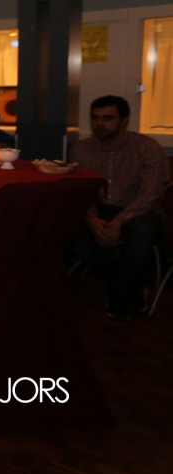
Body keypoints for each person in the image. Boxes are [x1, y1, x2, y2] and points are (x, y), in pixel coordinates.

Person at [69, 95, 168, 321]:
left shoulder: (147, 147)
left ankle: (119, 294)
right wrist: (92, 219)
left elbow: (150, 194)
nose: (99, 124)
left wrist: (118, 222)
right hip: (99, 209)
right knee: (68, 232)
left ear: (124, 120)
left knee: (141, 232)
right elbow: (82, 191)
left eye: (108, 118)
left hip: (139, 210)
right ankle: (129, 284)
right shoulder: (80, 150)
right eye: (95, 118)